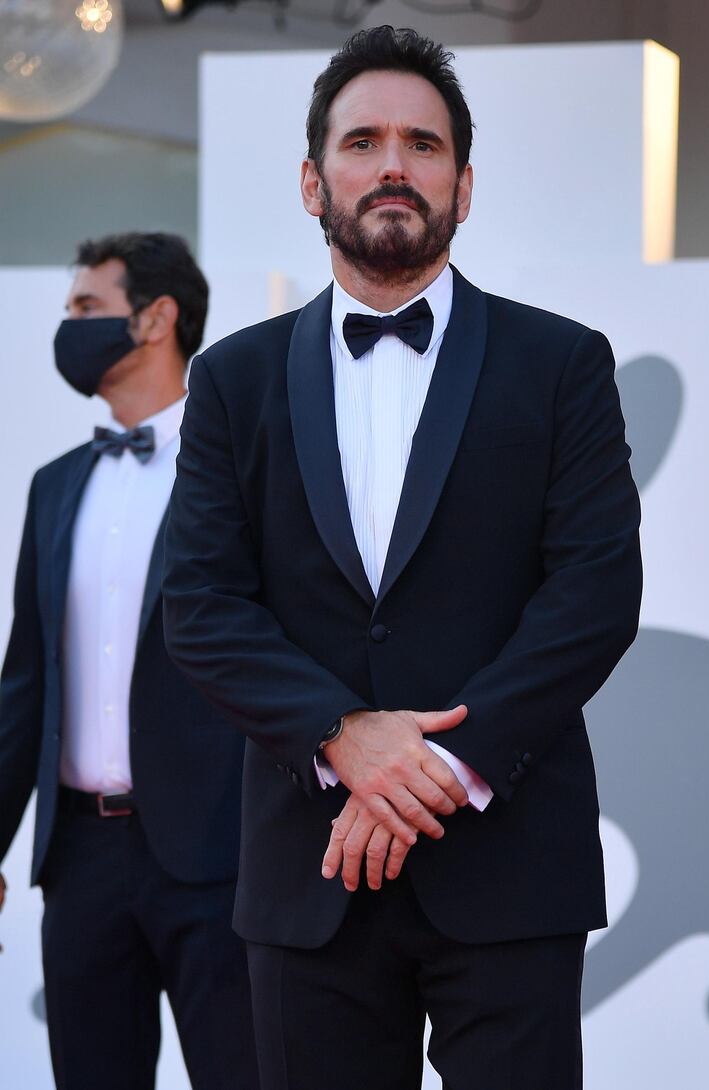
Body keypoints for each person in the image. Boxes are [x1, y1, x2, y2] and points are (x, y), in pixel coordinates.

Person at [163, 27, 642, 1090]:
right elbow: (200, 603)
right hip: (309, 868)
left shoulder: (559, 362)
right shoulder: (232, 380)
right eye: (363, 141)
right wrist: (341, 737)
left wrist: (438, 768)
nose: (392, 165)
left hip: (508, 864)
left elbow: (594, 590)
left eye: (422, 145)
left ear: (462, 186)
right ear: (311, 179)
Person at [0, 232, 259, 1090]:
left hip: (217, 856)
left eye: (85, 308)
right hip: (80, 861)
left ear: (156, 319)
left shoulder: (240, 467)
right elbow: (26, 684)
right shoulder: (56, 484)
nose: (69, 327)